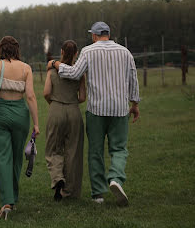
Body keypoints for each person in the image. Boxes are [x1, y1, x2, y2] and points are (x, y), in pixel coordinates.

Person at [48, 21, 140, 206]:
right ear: (108, 33)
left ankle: (98, 193)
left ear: (94, 35)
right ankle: (116, 178)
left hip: (96, 110)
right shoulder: (125, 52)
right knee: (119, 149)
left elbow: (74, 73)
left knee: (95, 151)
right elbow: (133, 79)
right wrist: (134, 104)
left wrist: (55, 64)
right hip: (120, 109)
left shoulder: (88, 51)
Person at [0, 36, 40, 219]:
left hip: (0, 113)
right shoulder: (26, 68)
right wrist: (36, 124)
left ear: (1, 49)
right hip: (20, 114)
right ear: (17, 49)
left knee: (2, 157)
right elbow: (31, 97)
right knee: (17, 158)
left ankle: (7, 201)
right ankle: (13, 198)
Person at [43, 40, 86, 201]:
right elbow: (82, 97)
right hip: (74, 111)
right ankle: (69, 192)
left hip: (56, 109)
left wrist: (54, 103)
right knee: (73, 152)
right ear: (76, 54)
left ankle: (57, 178)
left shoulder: (51, 72)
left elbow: (46, 93)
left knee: (53, 149)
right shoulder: (79, 73)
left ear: (61, 52)